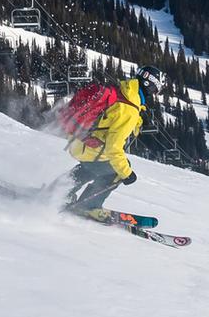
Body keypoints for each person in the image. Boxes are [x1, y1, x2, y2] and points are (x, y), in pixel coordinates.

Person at [64, 65, 163, 218]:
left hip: (78, 141)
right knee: (116, 170)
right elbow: (114, 147)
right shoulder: (130, 109)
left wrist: (138, 120)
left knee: (94, 166)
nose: (154, 94)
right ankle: (88, 206)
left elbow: (113, 116)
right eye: (156, 90)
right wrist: (127, 174)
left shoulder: (123, 91)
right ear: (149, 86)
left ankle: (59, 190)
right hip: (90, 148)